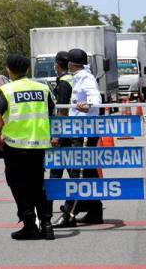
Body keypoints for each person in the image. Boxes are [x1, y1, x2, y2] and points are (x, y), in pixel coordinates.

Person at [0, 53, 55, 240]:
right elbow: (51, 111)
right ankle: (47, 224)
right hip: (38, 144)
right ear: (27, 69)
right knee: (38, 185)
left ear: (8, 70)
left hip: (15, 146)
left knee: (18, 185)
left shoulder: (7, 89)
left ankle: (29, 224)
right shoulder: (42, 88)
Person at [53, 48, 104, 227]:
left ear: (70, 64)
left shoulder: (85, 78)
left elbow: (96, 99)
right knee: (88, 171)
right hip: (78, 130)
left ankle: (69, 214)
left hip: (84, 131)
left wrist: (88, 106)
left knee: (78, 171)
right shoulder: (79, 76)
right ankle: (95, 210)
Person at [46, 51, 79, 227]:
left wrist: (57, 134)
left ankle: (64, 214)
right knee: (76, 172)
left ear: (58, 65)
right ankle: (89, 208)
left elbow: (63, 111)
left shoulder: (65, 83)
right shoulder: (74, 79)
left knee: (58, 173)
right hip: (74, 133)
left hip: (66, 135)